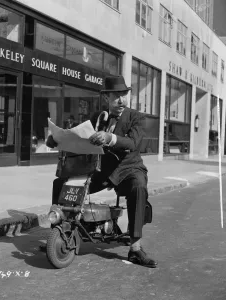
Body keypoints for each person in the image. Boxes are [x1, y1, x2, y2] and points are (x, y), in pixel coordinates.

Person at [46, 75, 157, 268]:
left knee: (138, 187)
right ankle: (59, 234)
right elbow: (78, 136)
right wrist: (57, 139)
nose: (121, 100)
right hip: (101, 170)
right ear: (106, 98)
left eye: (124, 95)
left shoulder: (136, 117)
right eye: (116, 96)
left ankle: (136, 248)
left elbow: (133, 143)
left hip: (129, 168)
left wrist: (110, 137)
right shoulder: (97, 117)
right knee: (61, 183)